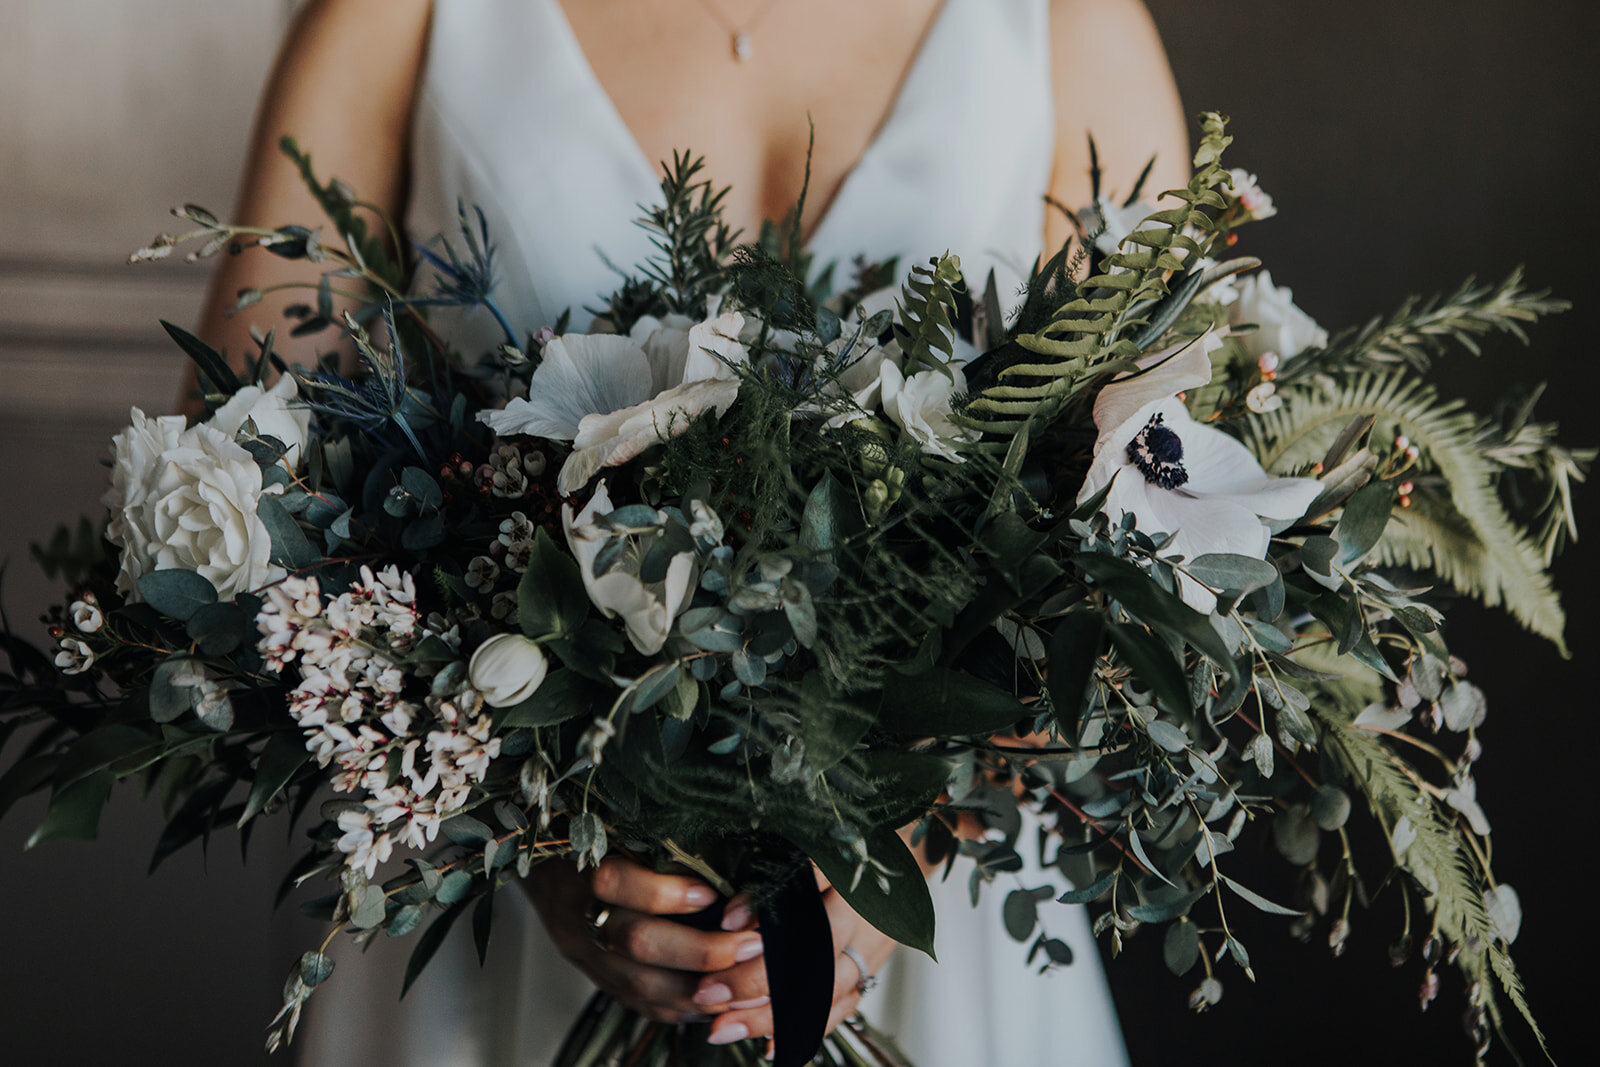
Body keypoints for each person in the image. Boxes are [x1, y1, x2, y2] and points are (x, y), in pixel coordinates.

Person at [189, 1, 1190, 1062]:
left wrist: (920, 837)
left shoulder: (1066, 22)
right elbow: (239, 496)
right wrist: (532, 841)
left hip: (941, 939)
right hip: (499, 915)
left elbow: (1143, 519)